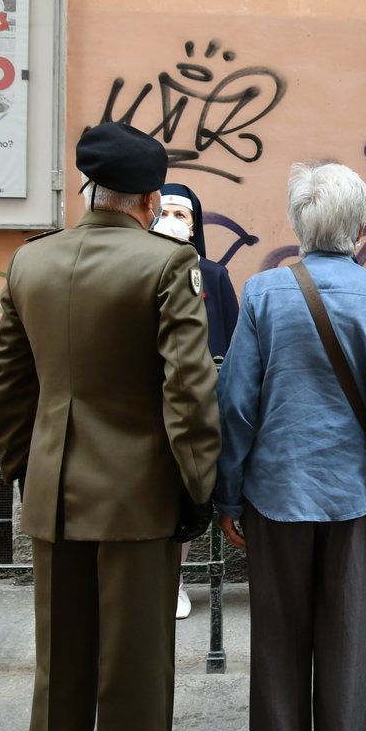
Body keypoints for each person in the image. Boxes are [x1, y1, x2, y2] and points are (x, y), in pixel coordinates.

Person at [0, 122, 220, 731]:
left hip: (53, 488)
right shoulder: (166, 264)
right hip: (139, 494)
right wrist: (198, 480)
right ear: (150, 198)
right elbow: (189, 388)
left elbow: (6, 379)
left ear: (93, 188)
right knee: (135, 666)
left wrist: (23, 464)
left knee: (60, 661)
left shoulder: (31, 261)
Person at [215, 161, 366, 731]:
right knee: (347, 648)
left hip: (274, 494)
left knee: (276, 648)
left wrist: (229, 491)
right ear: (359, 226)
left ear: (297, 222)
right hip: (351, 498)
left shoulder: (264, 292)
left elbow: (237, 405)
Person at [152, 182, 239, 619]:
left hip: (195, 406)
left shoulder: (214, 276)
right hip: (146, 403)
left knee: (185, 494)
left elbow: (230, 340)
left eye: (180, 214)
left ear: (195, 225)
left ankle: (176, 581)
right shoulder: (136, 269)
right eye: (163, 210)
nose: (170, 220)